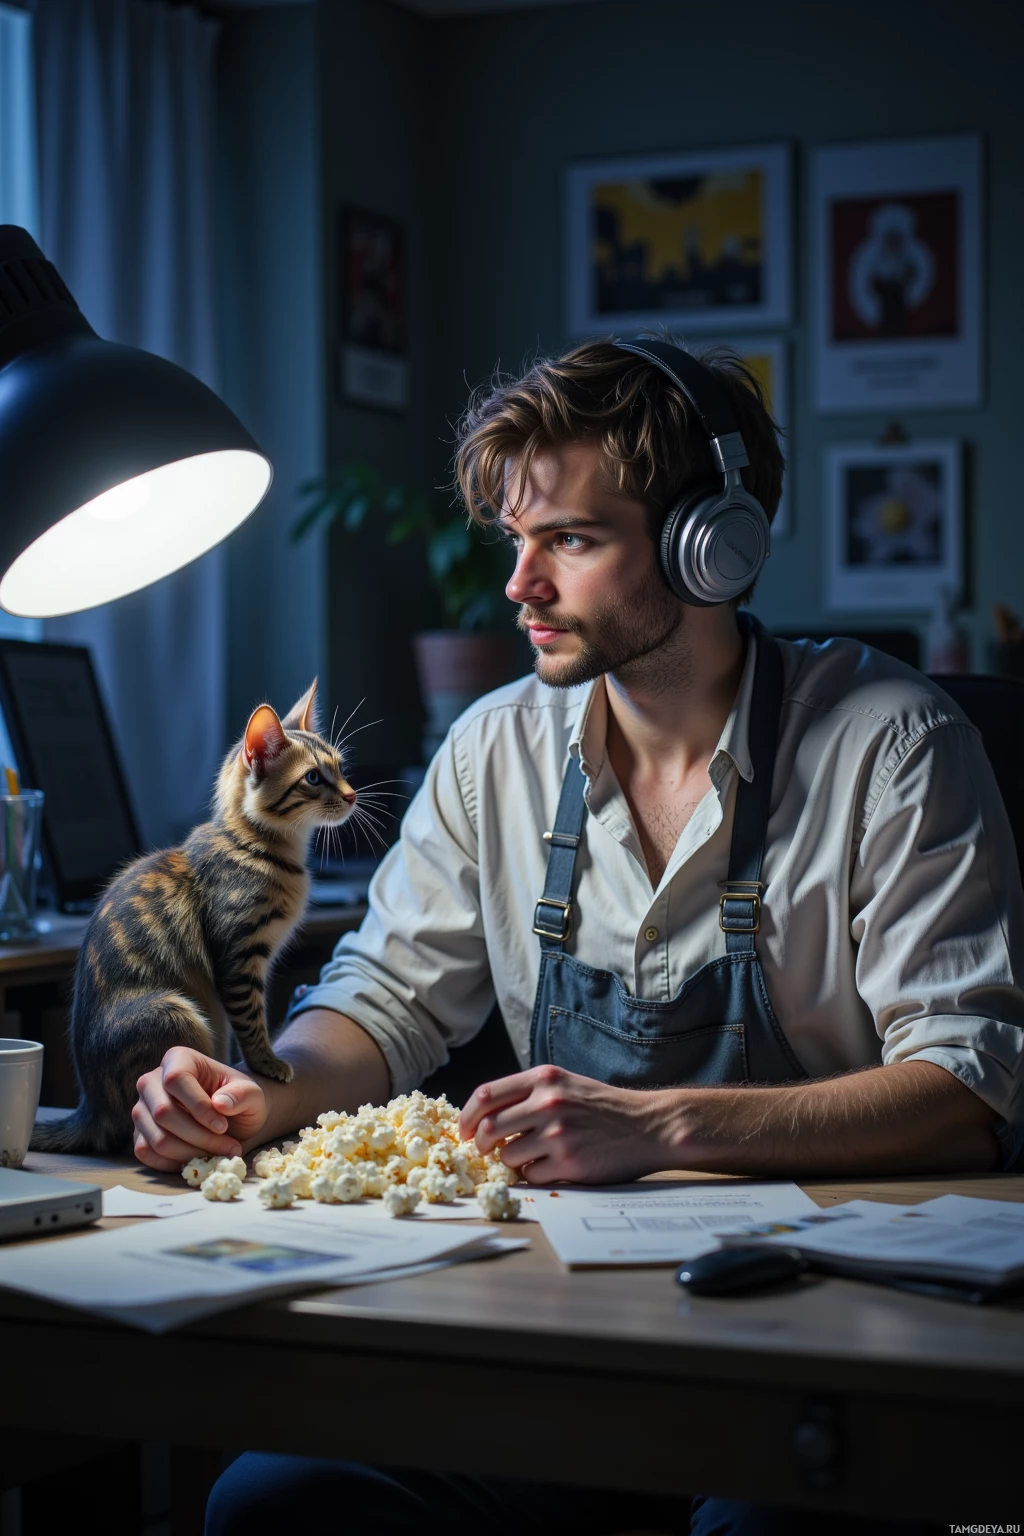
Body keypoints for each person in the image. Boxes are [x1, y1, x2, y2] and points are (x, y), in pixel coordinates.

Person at [133, 337, 1023, 1536]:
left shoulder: (893, 747)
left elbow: (965, 1093)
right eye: (516, 540)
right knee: (277, 1501)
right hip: (557, 1327)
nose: (519, 585)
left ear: (713, 543)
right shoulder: (491, 751)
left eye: (570, 540)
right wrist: (256, 1094)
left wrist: (652, 1125)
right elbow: (386, 1002)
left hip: (818, 1341)